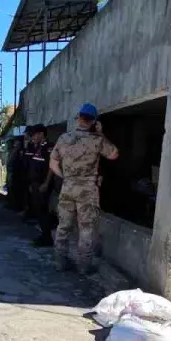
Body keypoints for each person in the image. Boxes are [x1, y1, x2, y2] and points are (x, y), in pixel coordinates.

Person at [50, 103, 119, 274]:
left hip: (68, 187)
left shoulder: (64, 138)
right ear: (93, 121)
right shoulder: (97, 140)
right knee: (86, 228)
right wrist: (101, 133)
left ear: (79, 117)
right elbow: (114, 154)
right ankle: (84, 266)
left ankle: (60, 261)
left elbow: (53, 163)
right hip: (87, 190)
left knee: (63, 226)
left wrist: (65, 177)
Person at [23, 124, 50, 224]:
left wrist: (46, 183)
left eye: (34, 135)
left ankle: (46, 237)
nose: (32, 137)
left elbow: (51, 167)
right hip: (35, 184)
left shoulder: (48, 148)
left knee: (43, 209)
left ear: (41, 134)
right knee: (38, 209)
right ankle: (43, 234)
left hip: (42, 184)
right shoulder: (38, 147)